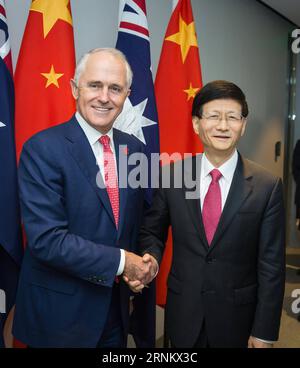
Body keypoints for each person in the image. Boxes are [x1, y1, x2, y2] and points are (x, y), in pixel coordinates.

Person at [12, 48, 157, 348]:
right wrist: (122, 263)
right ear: (74, 88)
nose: (104, 97)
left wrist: (146, 262)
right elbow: (47, 240)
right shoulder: (42, 149)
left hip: (115, 314)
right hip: (60, 318)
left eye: (115, 88)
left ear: (126, 94)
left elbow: (140, 221)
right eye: (94, 85)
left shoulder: (135, 150)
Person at [131, 80, 286, 348]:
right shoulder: (174, 176)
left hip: (238, 319)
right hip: (183, 313)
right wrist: (151, 259)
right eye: (214, 116)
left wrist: (264, 331)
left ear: (243, 125)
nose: (223, 126)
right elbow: (152, 232)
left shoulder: (267, 186)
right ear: (196, 124)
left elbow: (271, 266)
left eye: (233, 117)